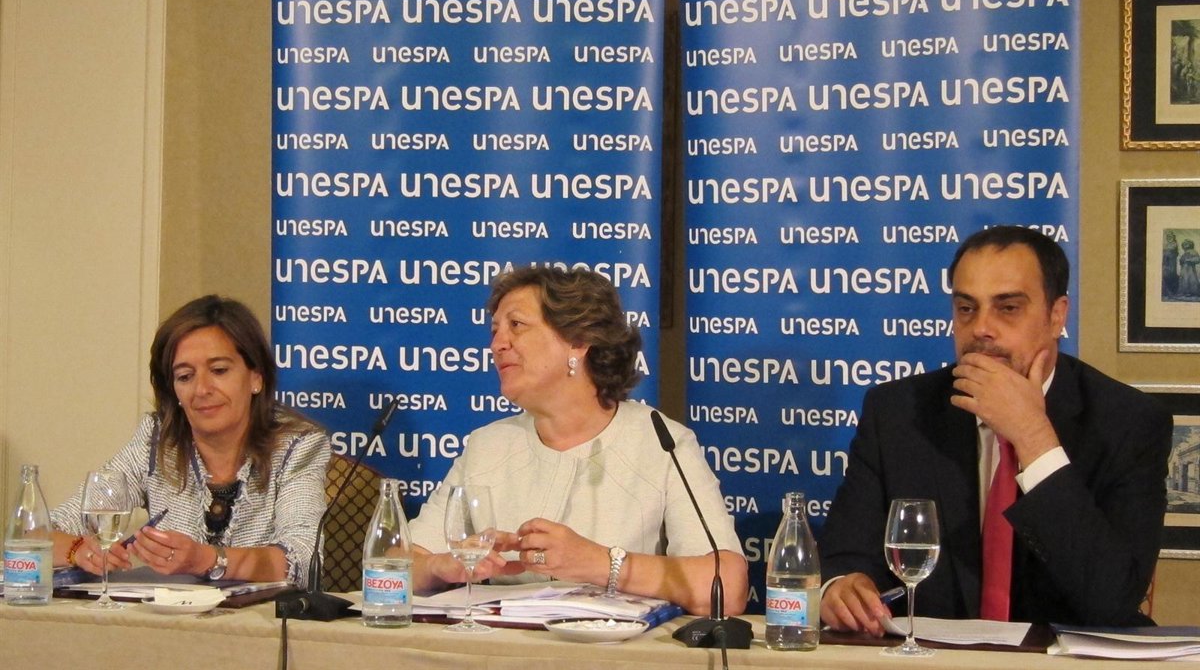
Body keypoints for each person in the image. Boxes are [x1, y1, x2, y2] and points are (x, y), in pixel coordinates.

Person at [819, 226, 1172, 632]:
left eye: (1008, 308)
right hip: (933, 656)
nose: (981, 328)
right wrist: (841, 586)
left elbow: (1112, 601)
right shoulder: (897, 412)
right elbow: (844, 554)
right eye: (966, 308)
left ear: (1057, 316)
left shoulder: (1128, 422)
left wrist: (1033, 437)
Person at [408, 265, 748, 617]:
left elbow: (727, 587)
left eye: (516, 325)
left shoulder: (661, 442)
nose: (497, 345)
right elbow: (395, 567)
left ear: (578, 341)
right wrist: (439, 567)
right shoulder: (488, 446)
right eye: (494, 331)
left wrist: (599, 563)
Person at [50, 295, 330, 585]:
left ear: (256, 377)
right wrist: (78, 550)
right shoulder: (158, 440)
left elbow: (304, 560)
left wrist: (208, 560)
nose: (201, 389)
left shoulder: (298, 446)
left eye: (219, 371)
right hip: (169, 613)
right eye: (185, 376)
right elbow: (39, 531)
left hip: (262, 614)